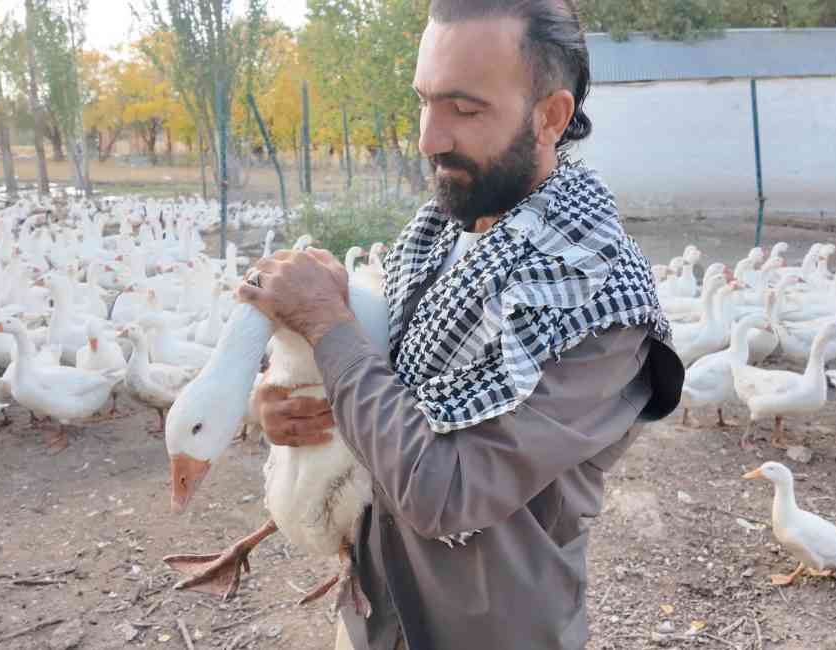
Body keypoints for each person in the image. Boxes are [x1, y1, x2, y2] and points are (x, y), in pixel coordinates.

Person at [236, 1, 684, 648]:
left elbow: (442, 492)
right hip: (374, 615)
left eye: (465, 109)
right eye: (425, 101)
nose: (428, 138)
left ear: (550, 117)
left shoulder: (599, 302)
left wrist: (328, 329)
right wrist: (296, 398)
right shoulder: (440, 235)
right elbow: (384, 394)